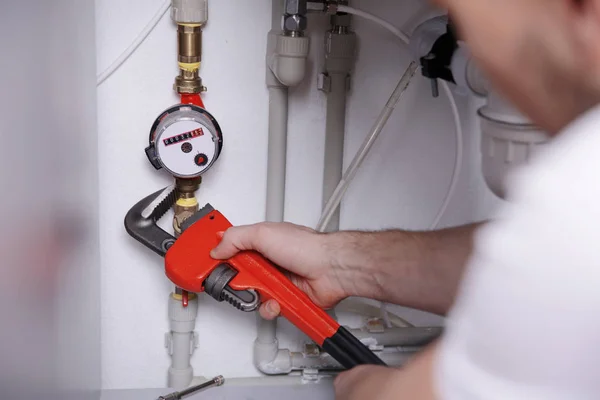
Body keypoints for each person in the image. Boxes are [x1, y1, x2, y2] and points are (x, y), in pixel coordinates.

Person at [212, 0, 600, 398]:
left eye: (465, 18)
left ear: (584, 12)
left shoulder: (578, 200)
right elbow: (537, 263)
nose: (477, 52)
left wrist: (365, 386)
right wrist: (339, 263)